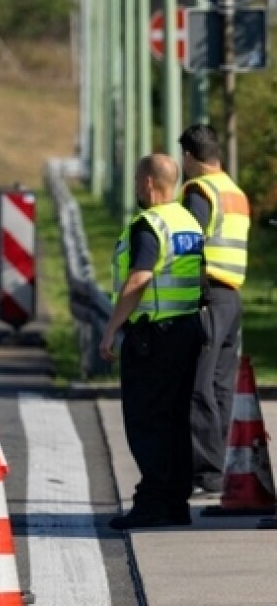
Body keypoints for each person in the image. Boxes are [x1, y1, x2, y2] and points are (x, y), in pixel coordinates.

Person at [99, 153, 205, 530]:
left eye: (134, 181)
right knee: (174, 420)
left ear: (147, 184)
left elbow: (139, 279)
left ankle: (154, 501)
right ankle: (175, 502)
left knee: (147, 421)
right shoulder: (186, 221)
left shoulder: (150, 224)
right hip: (186, 330)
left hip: (155, 336)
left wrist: (112, 328)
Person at [178, 124, 250, 499]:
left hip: (206, 295)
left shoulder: (199, 191)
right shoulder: (234, 191)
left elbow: (189, 245)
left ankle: (206, 474)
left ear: (189, 157)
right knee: (220, 386)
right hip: (232, 296)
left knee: (197, 384)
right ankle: (217, 469)